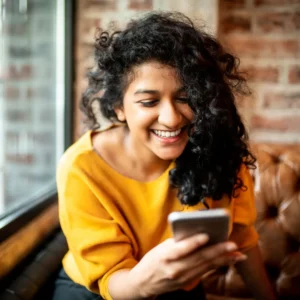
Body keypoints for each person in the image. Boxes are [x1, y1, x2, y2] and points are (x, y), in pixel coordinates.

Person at [52, 12, 276, 300]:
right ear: (119, 107)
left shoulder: (218, 151)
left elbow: (243, 240)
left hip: (177, 289)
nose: (171, 119)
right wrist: (145, 282)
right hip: (96, 291)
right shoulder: (81, 167)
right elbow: (110, 278)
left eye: (185, 98)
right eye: (149, 101)